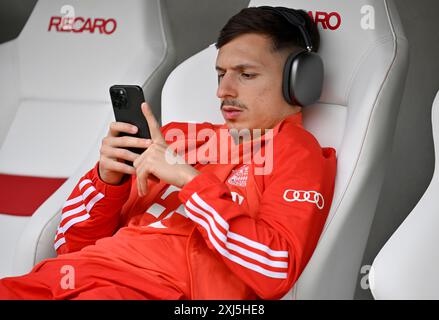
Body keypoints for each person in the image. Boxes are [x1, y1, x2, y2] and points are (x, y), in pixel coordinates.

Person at [0, 6, 336, 300]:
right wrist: (108, 181)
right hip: (67, 278)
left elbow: (273, 269)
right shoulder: (177, 136)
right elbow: (70, 244)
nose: (223, 91)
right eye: (220, 75)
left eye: (246, 75)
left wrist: (189, 180)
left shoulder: (298, 153)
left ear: (299, 81)